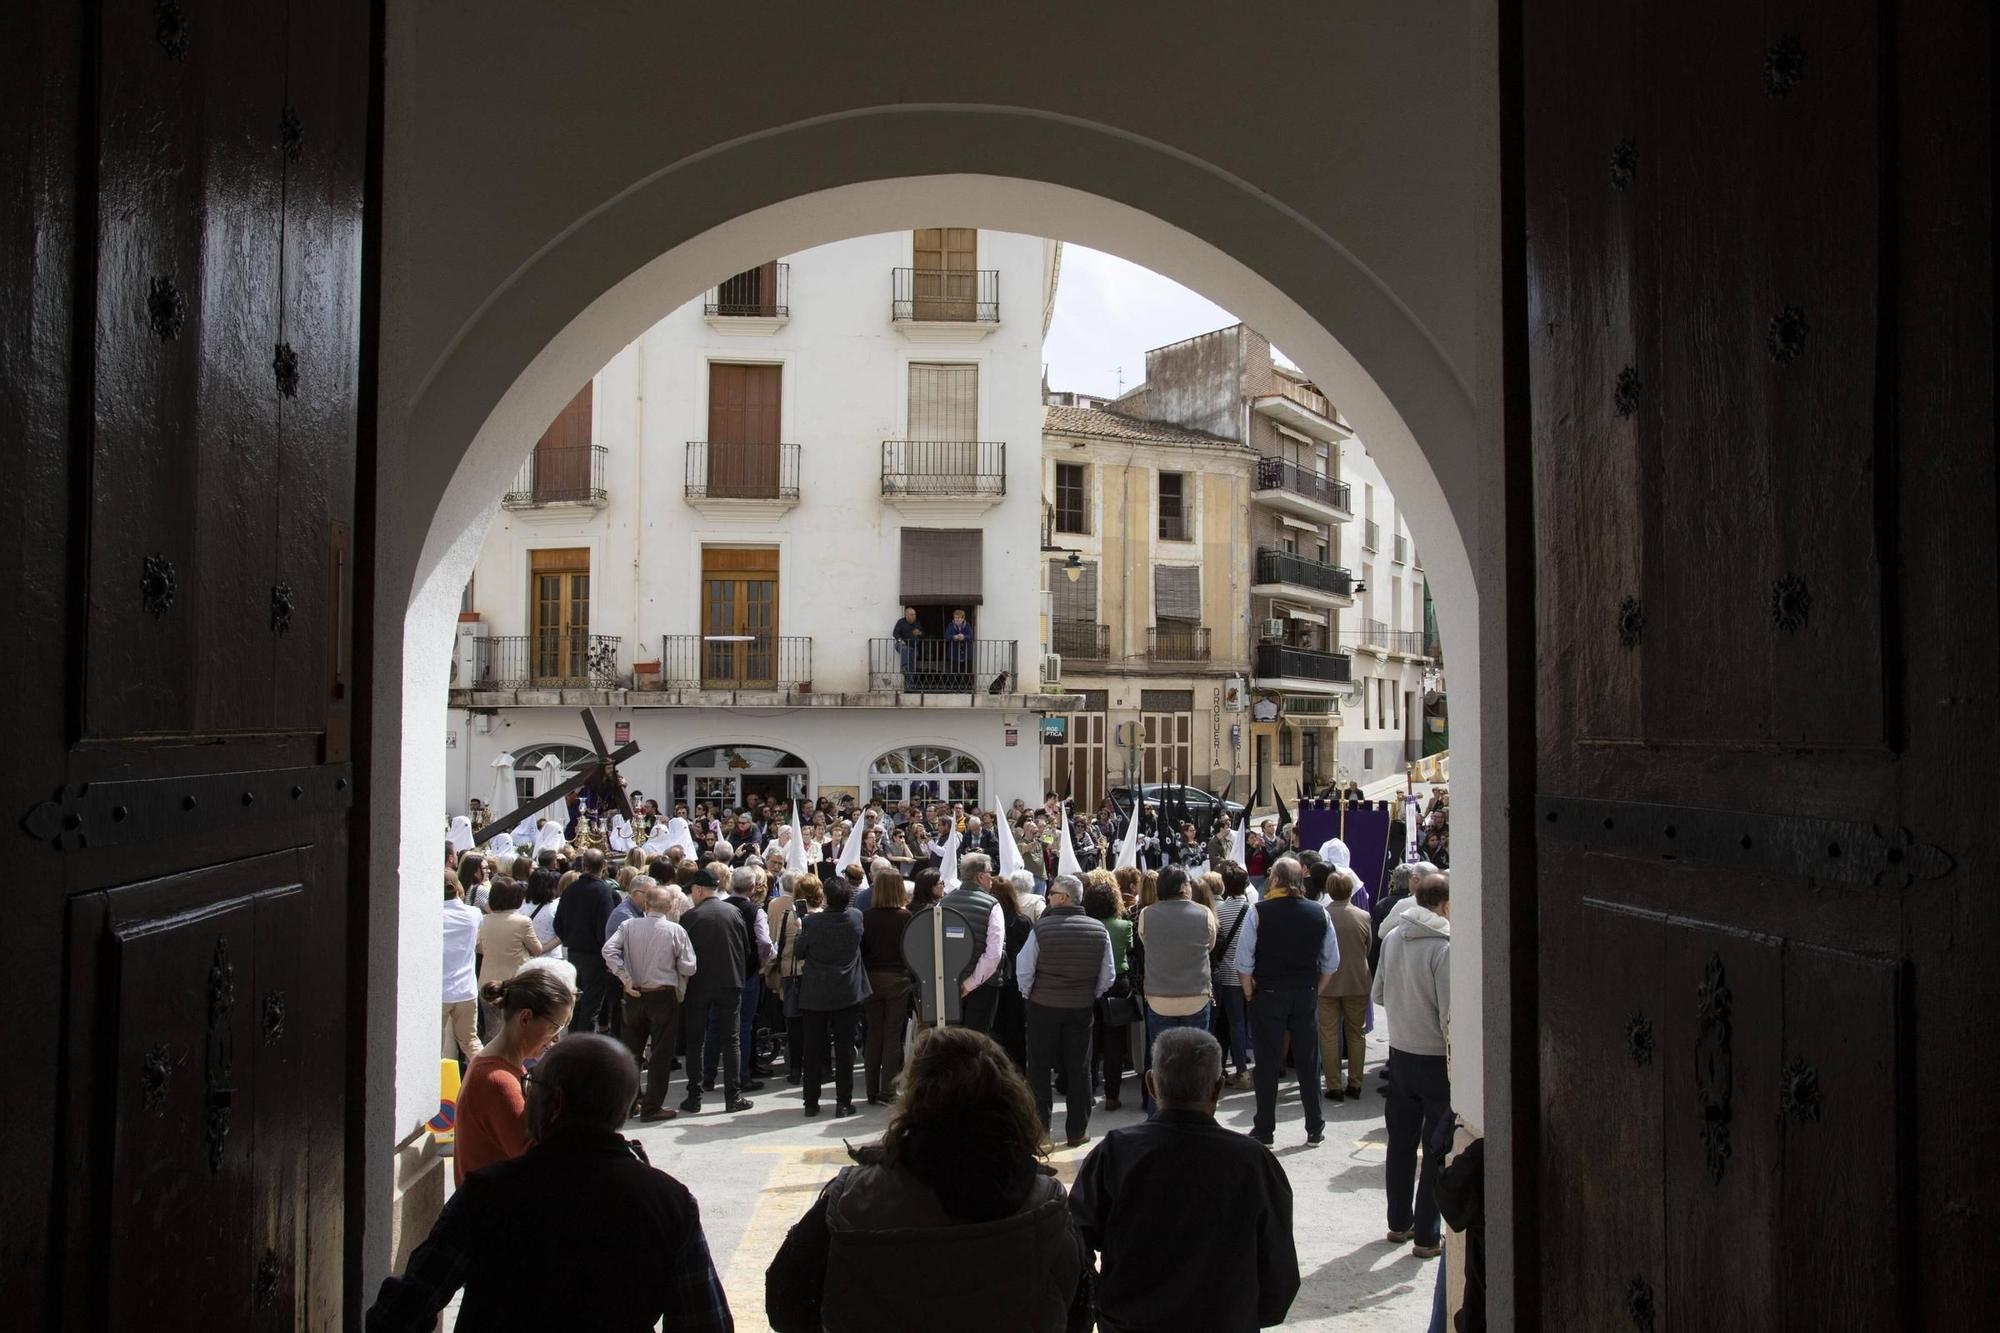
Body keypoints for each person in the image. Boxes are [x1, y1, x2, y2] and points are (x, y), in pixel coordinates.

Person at [366, 1035, 732, 1333]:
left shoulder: (488, 1193)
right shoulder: (669, 1202)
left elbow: (400, 1314)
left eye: (531, 1083)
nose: (527, 1095)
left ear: (554, 1102)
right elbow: (706, 1322)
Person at [764, 1027, 1091, 1333]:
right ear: (1012, 1102)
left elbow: (785, 1302)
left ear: (914, 1102)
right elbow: (1080, 1313)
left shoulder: (852, 1199)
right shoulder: (1048, 1206)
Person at [1070, 1029, 1299, 1332]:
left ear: (1151, 1084)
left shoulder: (1115, 1152)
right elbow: (1279, 1273)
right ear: (1218, 1088)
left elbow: (1073, 1243)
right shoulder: (1253, 1162)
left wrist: (1104, 1304)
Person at [1372, 872, 1453, 1258]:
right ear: (1446, 905)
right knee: (1435, 1147)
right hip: (1436, 1057)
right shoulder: (1446, 946)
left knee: (1400, 1143)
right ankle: (1425, 1233)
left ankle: (1398, 1222)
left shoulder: (1391, 938)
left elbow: (1380, 993)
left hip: (1401, 1051)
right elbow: (1450, 1015)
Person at [1232, 856, 1338, 1147]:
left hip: (1268, 993)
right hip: (1304, 991)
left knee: (1266, 1062)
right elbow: (1331, 962)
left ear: (1275, 880)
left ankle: (1265, 1128)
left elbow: (1244, 962)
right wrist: (1316, 987)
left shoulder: (1259, 912)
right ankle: (1315, 1126)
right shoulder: (1319, 912)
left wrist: (1249, 992)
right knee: (1308, 1061)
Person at [1017, 874, 1115, 1148]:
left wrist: (1031, 995)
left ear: (1064, 897)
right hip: (1080, 1006)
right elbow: (1108, 975)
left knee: (1038, 1068)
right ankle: (1077, 1131)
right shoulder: (1098, 929)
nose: (1048, 897)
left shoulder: (1041, 929)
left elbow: (1024, 969)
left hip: (1043, 1005)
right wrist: (1089, 993)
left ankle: (1040, 1132)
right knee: (1079, 1067)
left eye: (1051, 893)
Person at [453, 968, 575, 1186]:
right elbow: (537, 1159)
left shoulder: (500, 1066)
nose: (556, 1039)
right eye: (554, 1027)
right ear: (526, 1018)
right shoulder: (497, 1080)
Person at [601, 878, 698, 1121]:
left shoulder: (629, 926)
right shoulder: (675, 931)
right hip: (662, 995)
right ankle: (651, 1107)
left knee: (632, 1053)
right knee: (661, 1054)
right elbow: (690, 966)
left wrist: (624, 976)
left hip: (634, 994)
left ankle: (631, 1103)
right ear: (668, 907)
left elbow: (608, 951)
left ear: (646, 904)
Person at [1134, 865, 1216, 1115]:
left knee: (1161, 1061)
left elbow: (1144, 941)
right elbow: (1209, 946)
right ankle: (1197, 1113)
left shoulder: (1146, 914)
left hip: (1159, 997)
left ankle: (1156, 1115)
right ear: (1183, 887)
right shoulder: (1204, 913)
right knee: (1196, 1062)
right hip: (1196, 995)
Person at [676, 869, 755, 1114]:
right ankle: (733, 1096)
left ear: (699, 890)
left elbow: (682, 955)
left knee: (696, 1040)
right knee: (730, 1039)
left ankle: (695, 1096)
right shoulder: (734, 912)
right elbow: (747, 949)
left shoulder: (690, 917)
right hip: (730, 982)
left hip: (699, 985)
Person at [797, 876, 872, 1117]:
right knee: (844, 1049)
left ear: (827, 898)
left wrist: (802, 929)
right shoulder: (855, 918)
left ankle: (810, 1102)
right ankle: (843, 1102)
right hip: (846, 991)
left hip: (817, 992)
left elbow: (799, 952)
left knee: (813, 1047)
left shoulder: (813, 922)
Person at [860, 868, 915, 1104]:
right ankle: (888, 1089)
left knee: (874, 1033)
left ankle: (871, 1089)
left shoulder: (866, 916)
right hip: (898, 979)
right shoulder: (906, 917)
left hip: (871, 979)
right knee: (893, 1035)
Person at [1320, 869, 1374, 1101]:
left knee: (1329, 1034)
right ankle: (1355, 1082)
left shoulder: (1322, 914)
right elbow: (1367, 947)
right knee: (1356, 1033)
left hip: (1328, 981)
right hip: (1356, 980)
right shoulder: (1363, 916)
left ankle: (1333, 1084)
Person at [553, 848, 620, 1034]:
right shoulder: (602, 891)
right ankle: (584, 1042)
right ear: (604, 866)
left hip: (575, 952)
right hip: (595, 955)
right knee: (591, 1003)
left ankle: (575, 1037)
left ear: (584, 866)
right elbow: (605, 927)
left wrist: (570, 938)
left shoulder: (570, 890)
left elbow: (558, 923)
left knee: (579, 1000)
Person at [1083, 878, 1135, 1110]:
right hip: (1117, 984)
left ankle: (1090, 1088)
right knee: (1115, 1041)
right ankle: (1112, 1095)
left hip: (1089, 983)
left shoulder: (1085, 924)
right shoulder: (1124, 926)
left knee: (1090, 1037)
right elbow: (1130, 951)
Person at [941, 852, 1008, 1032]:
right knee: (976, 1045)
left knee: (951, 1042)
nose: (993, 878)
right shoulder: (992, 905)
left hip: (949, 984)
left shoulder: (943, 902)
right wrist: (970, 984)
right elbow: (994, 954)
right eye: (990, 873)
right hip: (983, 986)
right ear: (980, 876)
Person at [476, 878, 551, 1032]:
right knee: (515, 1032)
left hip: (487, 982)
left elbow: (479, 948)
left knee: (492, 1031)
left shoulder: (485, 920)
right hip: (515, 984)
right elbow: (536, 949)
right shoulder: (523, 922)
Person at [771, 873, 821, 1084]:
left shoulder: (791, 916)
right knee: (814, 1025)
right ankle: (812, 1067)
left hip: (792, 973)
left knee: (795, 1026)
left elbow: (781, 945)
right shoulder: (819, 916)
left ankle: (796, 1068)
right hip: (808, 974)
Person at [1211, 863, 1255, 1088]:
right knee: (1241, 1024)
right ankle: (1241, 1069)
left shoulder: (1218, 911)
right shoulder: (1253, 909)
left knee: (1227, 1025)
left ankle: (1236, 1071)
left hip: (1227, 976)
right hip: (1249, 975)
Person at [891, 604, 924, 688]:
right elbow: (895, 633)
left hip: (913, 647)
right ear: (906, 615)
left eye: (914, 614)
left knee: (912, 667)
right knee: (904, 649)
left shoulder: (917, 623)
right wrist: (900, 640)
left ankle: (910, 685)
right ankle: (904, 667)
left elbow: (923, 634)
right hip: (901, 645)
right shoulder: (900, 622)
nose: (914, 616)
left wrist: (919, 633)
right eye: (912, 614)